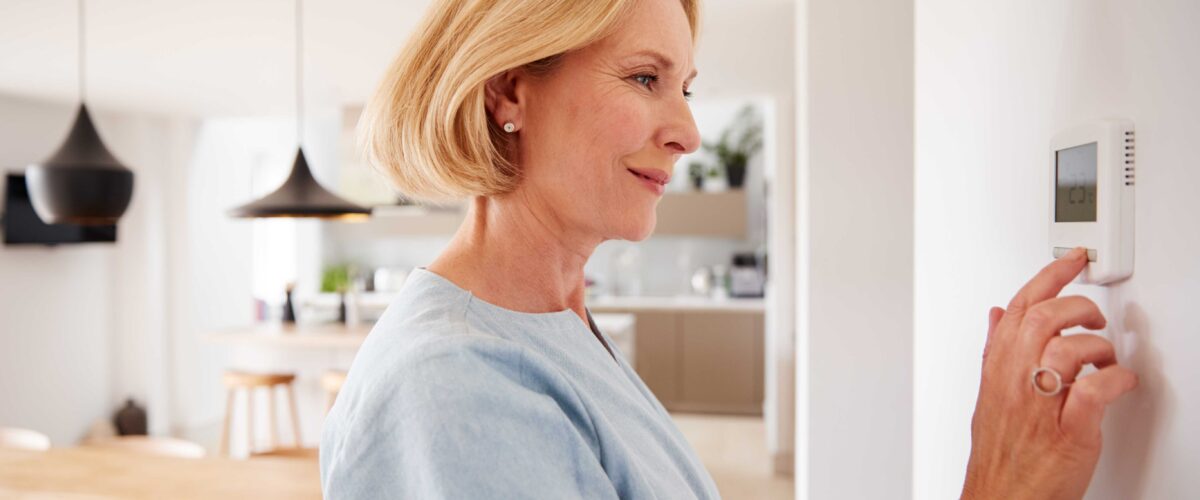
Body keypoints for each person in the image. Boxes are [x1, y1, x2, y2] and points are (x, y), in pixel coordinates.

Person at [319, 0, 1138, 498]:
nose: (686, 131)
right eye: (644, 78)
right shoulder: (453, 389)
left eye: (686, 86)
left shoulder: (552, 323)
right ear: (508, 92)